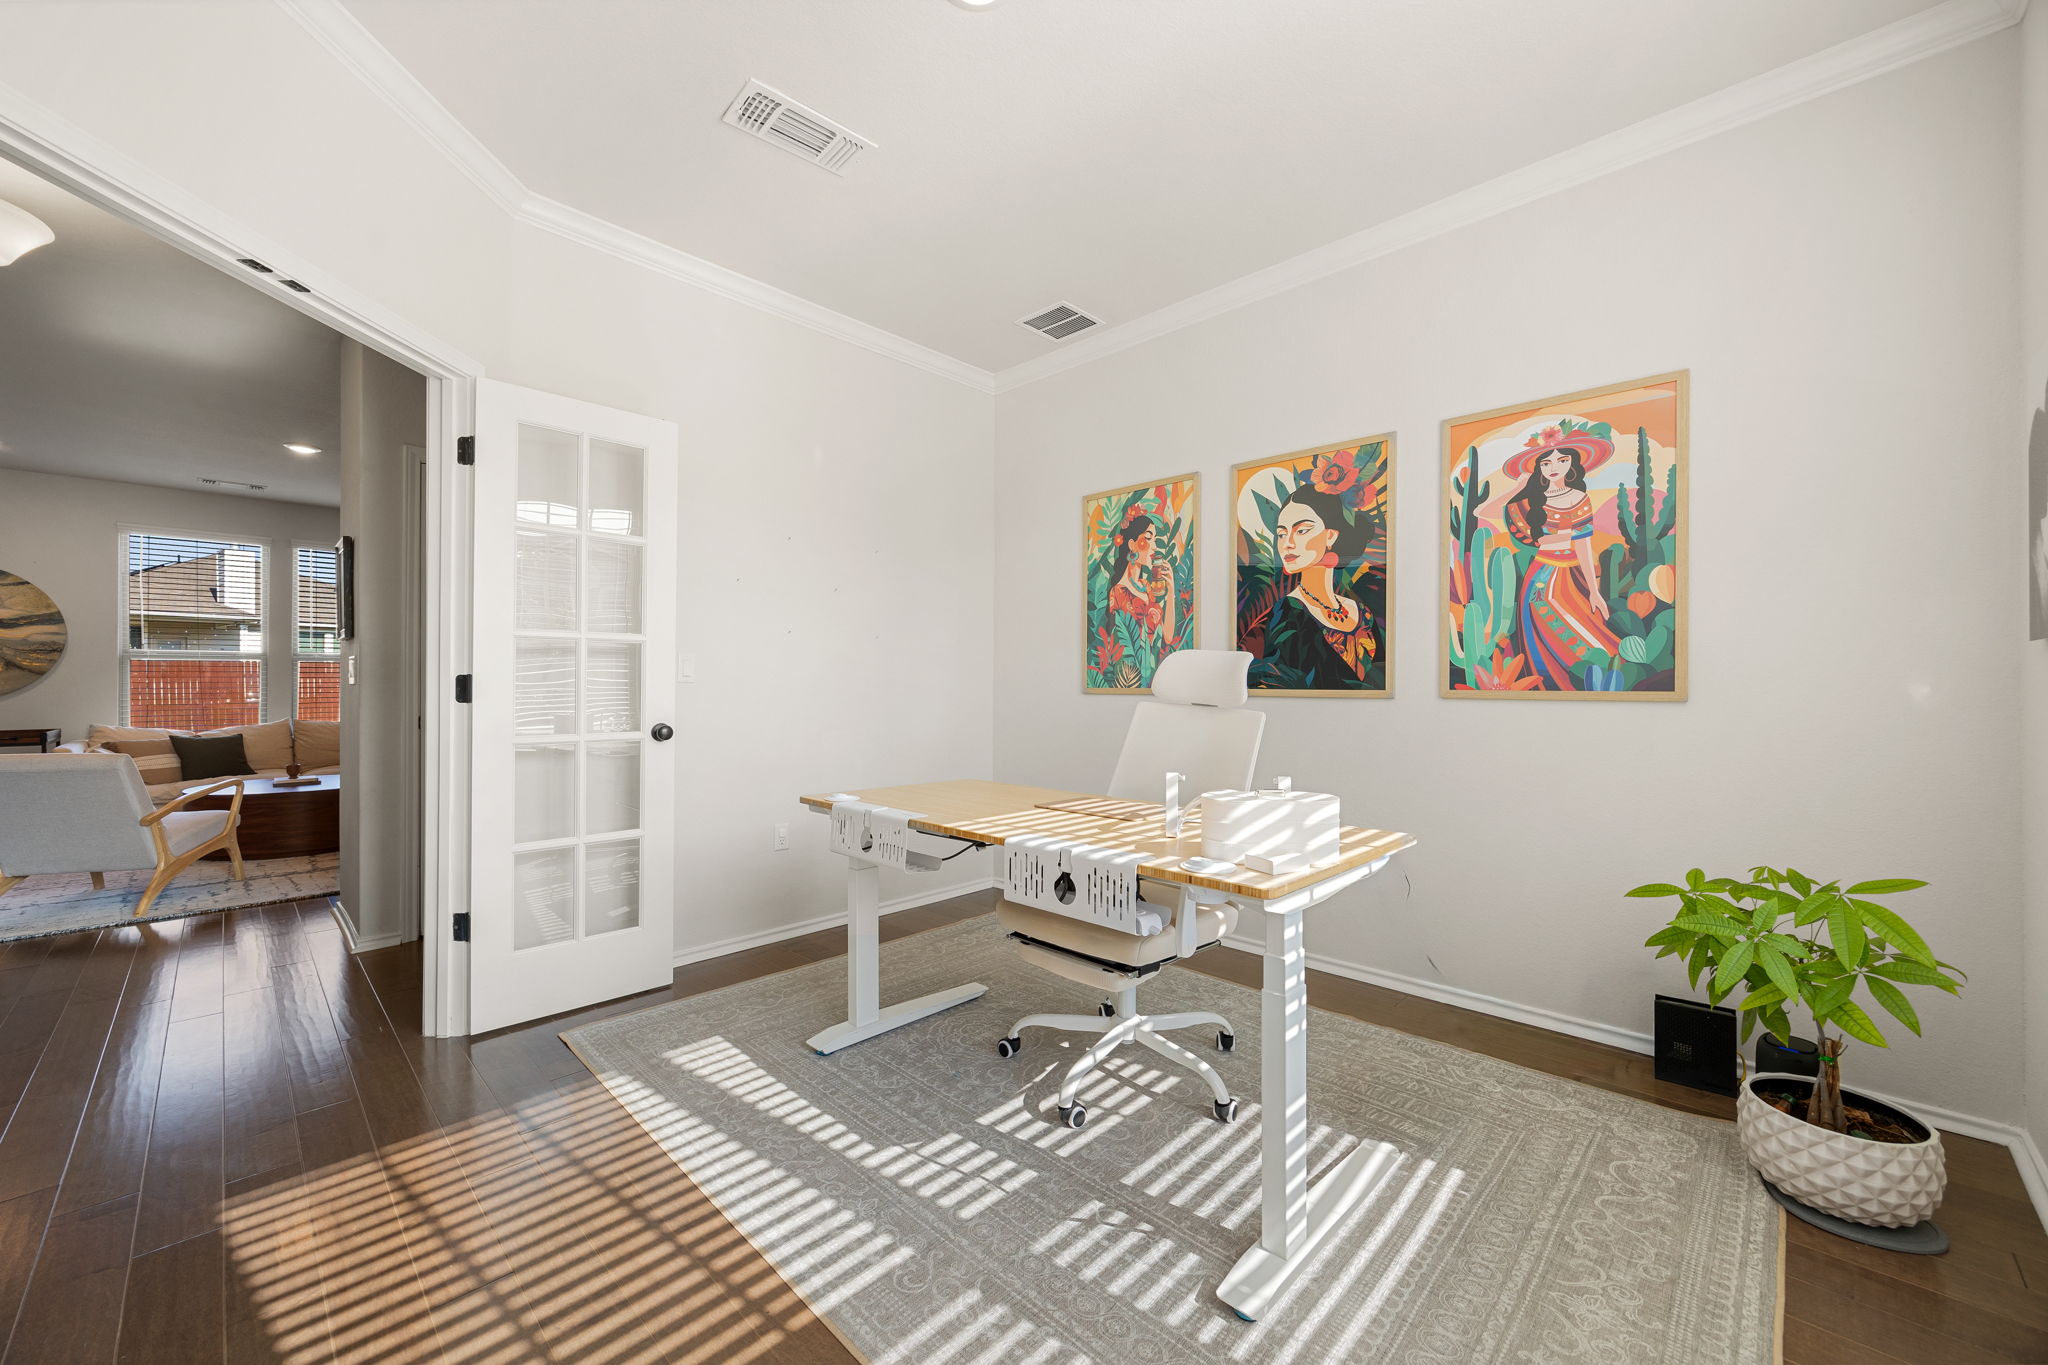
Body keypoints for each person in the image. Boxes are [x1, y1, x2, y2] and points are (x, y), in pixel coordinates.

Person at [1502, 425, 1621, 688]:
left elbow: (1583, 546)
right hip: (1540, 579)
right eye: (1546, 462)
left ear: (1573, 463)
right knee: (1543, 638)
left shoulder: (1580, 497)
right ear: (1539, 468)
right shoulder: (1532, 498)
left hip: (1571, 575)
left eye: (1562, 460)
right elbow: (1480, 513)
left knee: (1587, 632)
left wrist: (1594, 589)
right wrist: (1516, 489)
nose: (1554, 466)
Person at [1253, 484, 1379, 688]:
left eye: (1301, 530)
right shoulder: (1288, 613)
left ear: (1331, 536)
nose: (1287, 543)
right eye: (1282, 534)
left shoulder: (1361, 612)